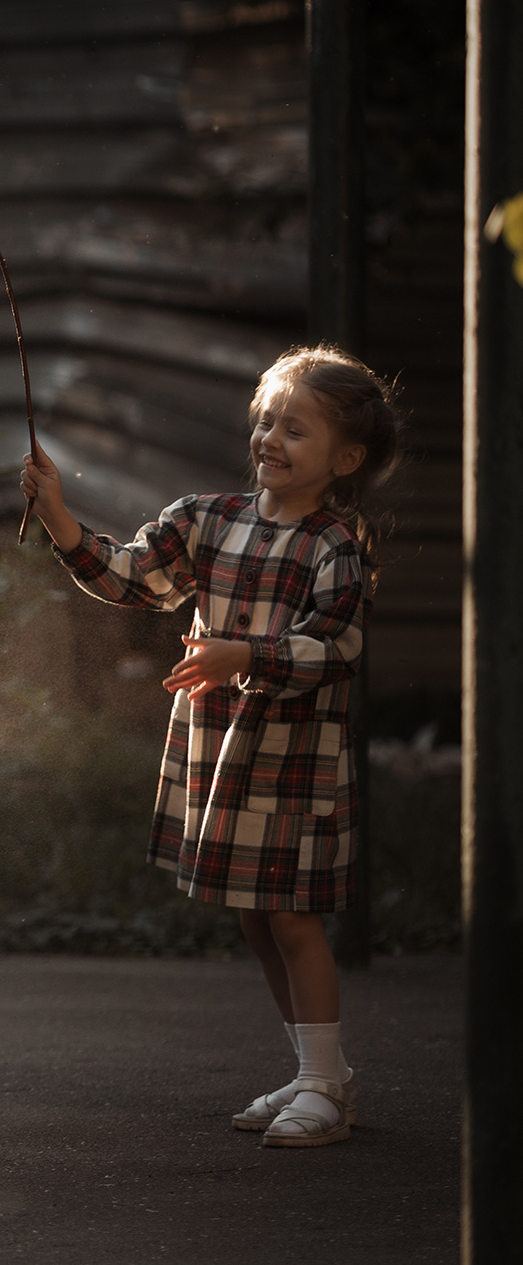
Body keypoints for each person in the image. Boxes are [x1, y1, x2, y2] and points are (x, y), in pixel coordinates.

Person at [21, 346, 401, 1150]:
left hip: (294, 762)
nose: (270, 437)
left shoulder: (336, 545)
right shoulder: (208, 518)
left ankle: (329, 1084)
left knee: (293, 920)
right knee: (255, 921)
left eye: (295, 428)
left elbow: (335, 648)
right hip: (228, 751)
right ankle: (313, 1073)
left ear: (346, 457)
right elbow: (130, 577)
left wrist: (243, 656)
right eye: (265, 420)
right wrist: (57, 512)